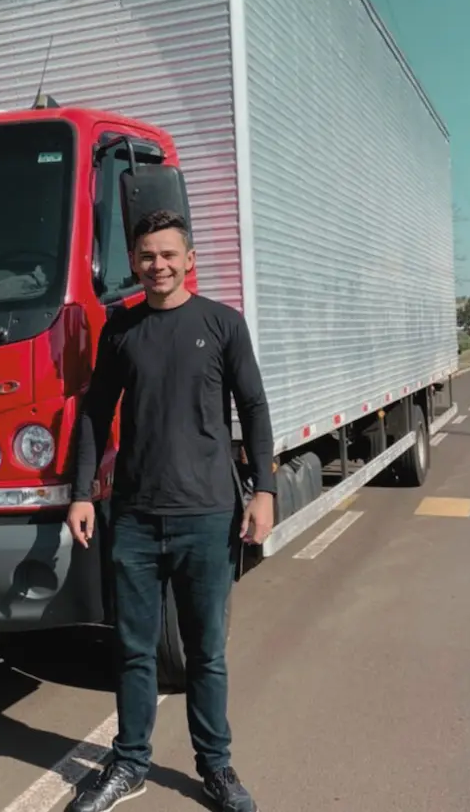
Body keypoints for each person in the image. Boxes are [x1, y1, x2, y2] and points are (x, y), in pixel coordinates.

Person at [65, 209, 275, 812]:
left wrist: (263, 490)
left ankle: (216, 767)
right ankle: (129, 763)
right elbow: (94, 412)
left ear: (189, 261)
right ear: (134, 264)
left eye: (168, 255)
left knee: (205, 651)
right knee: (133, 649)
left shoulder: (222, 324)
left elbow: (254, 407)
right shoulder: (121, 330)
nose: (158, 265)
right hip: (135, 516)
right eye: (147, 256)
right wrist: (82, 492)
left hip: (207, 514)